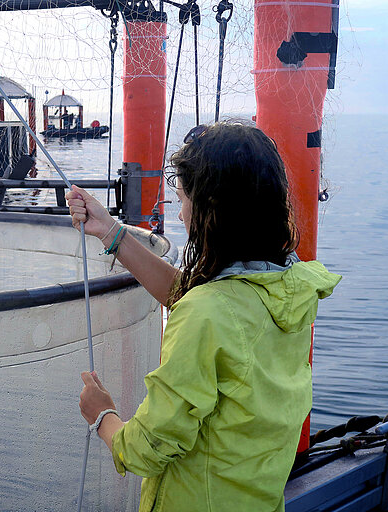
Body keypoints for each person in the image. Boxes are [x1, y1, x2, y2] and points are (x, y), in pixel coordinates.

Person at [66, 121, 341, 512]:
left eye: (183, 199)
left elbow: (147, 449)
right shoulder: (290, 289)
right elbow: (196, 297)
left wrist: (103, 416)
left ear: (212, 210)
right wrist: (111, 231)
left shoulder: (207, 313)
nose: (180, 216)